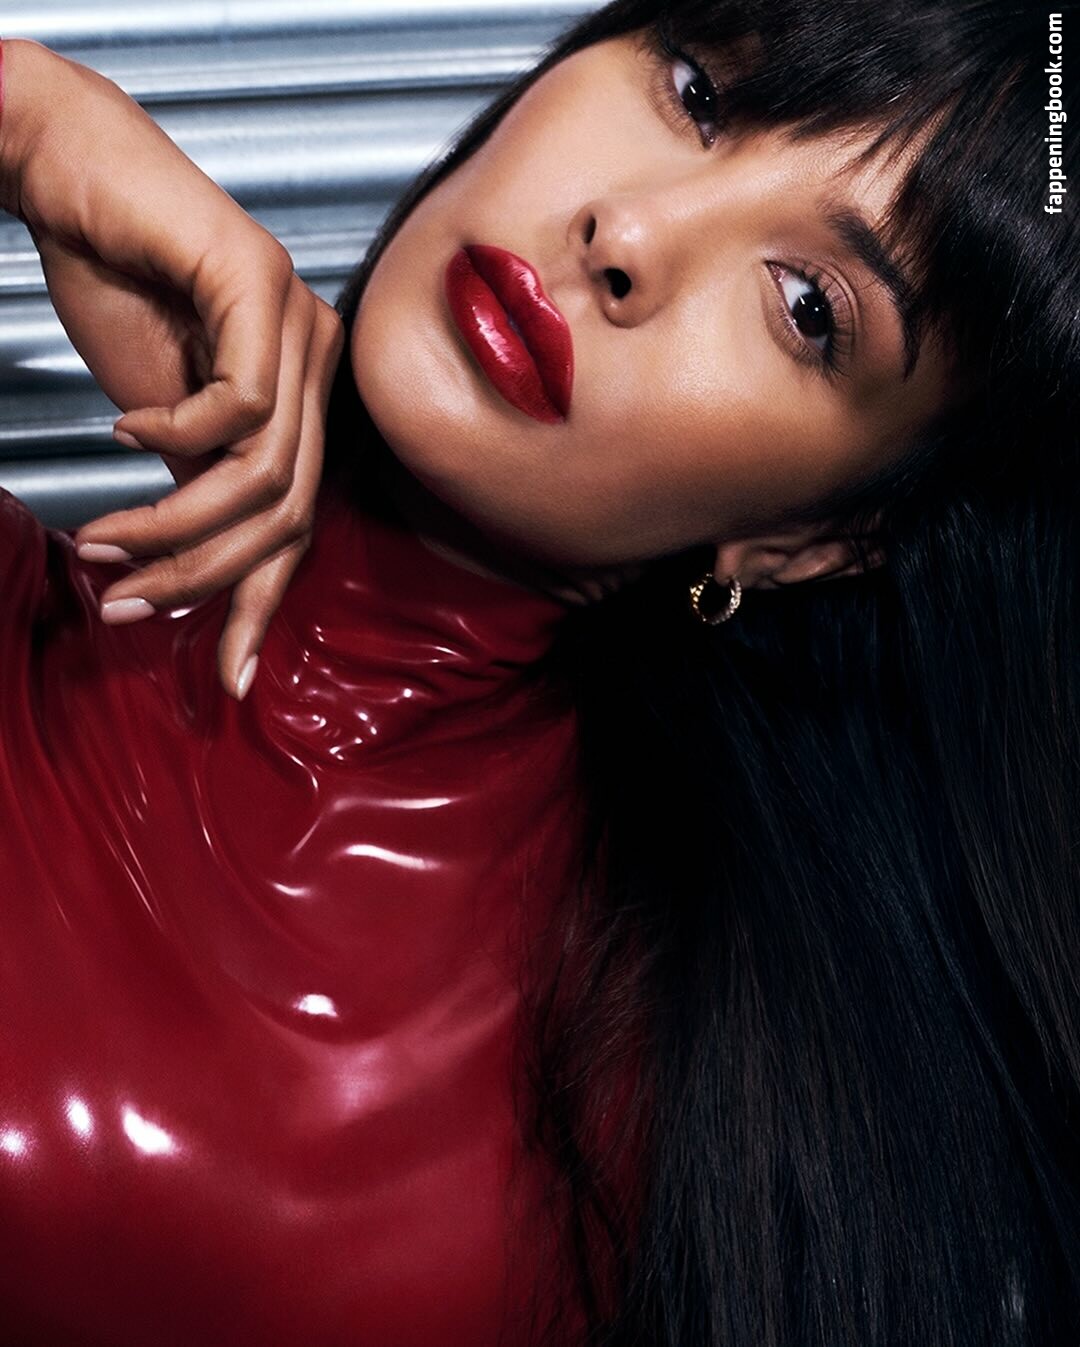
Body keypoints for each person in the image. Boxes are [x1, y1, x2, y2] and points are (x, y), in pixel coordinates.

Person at [0, 1, 1078, 1343]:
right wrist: (31, 119)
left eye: (810, 309)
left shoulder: (689, 1123)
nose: (629, 235)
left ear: (813, 541)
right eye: (698, 92)